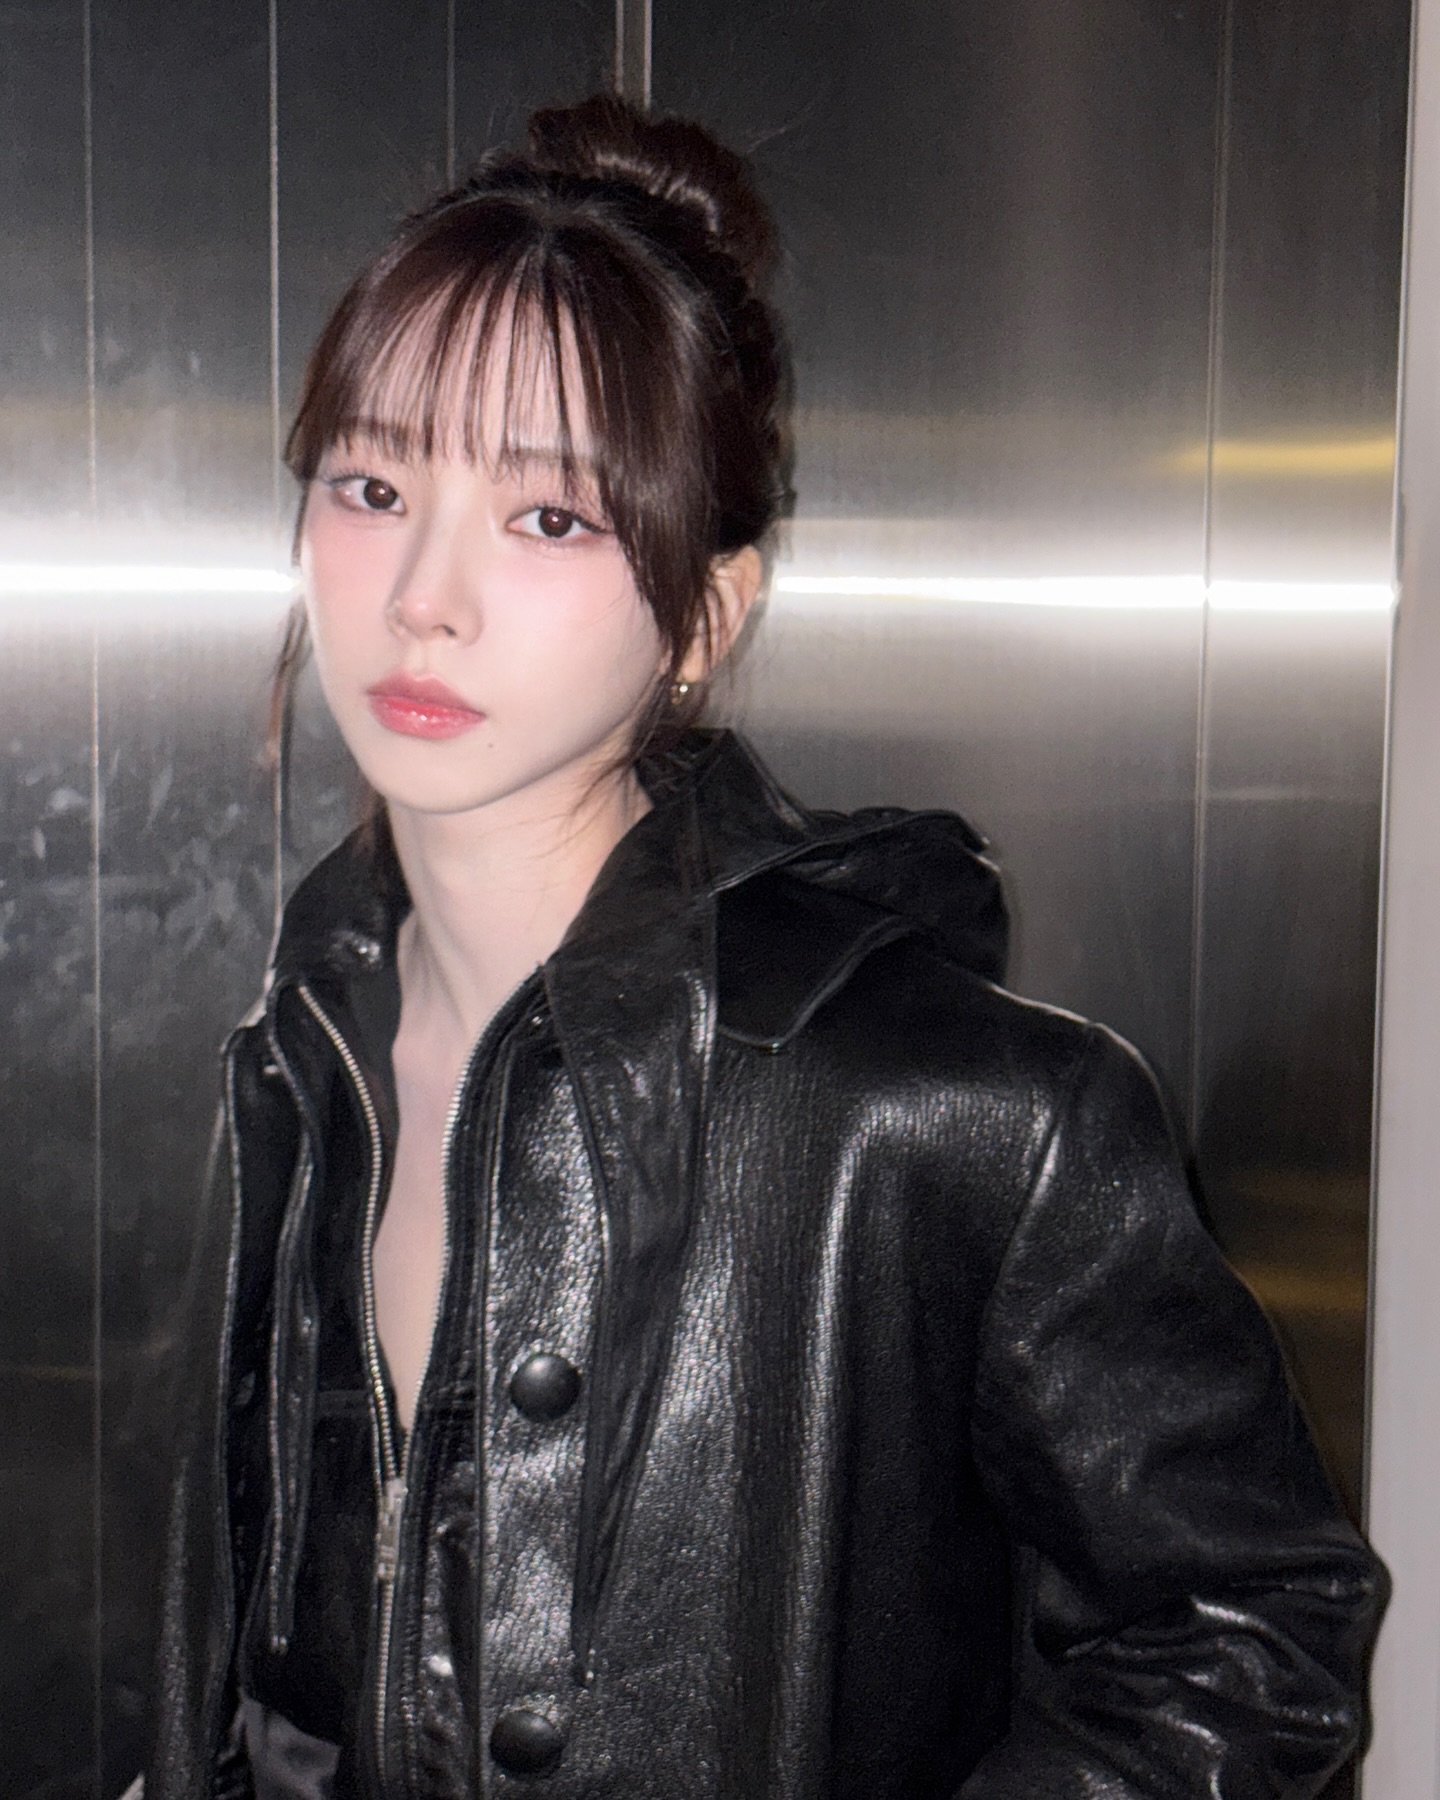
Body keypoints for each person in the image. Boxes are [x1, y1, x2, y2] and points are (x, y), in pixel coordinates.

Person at [141, 94, 1385, 1800]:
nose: (422, 593)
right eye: (372, 484)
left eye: (549, 517)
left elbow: (1253, 1634)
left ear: (704, 616)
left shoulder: (962, 1109)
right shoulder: (297, 1061)